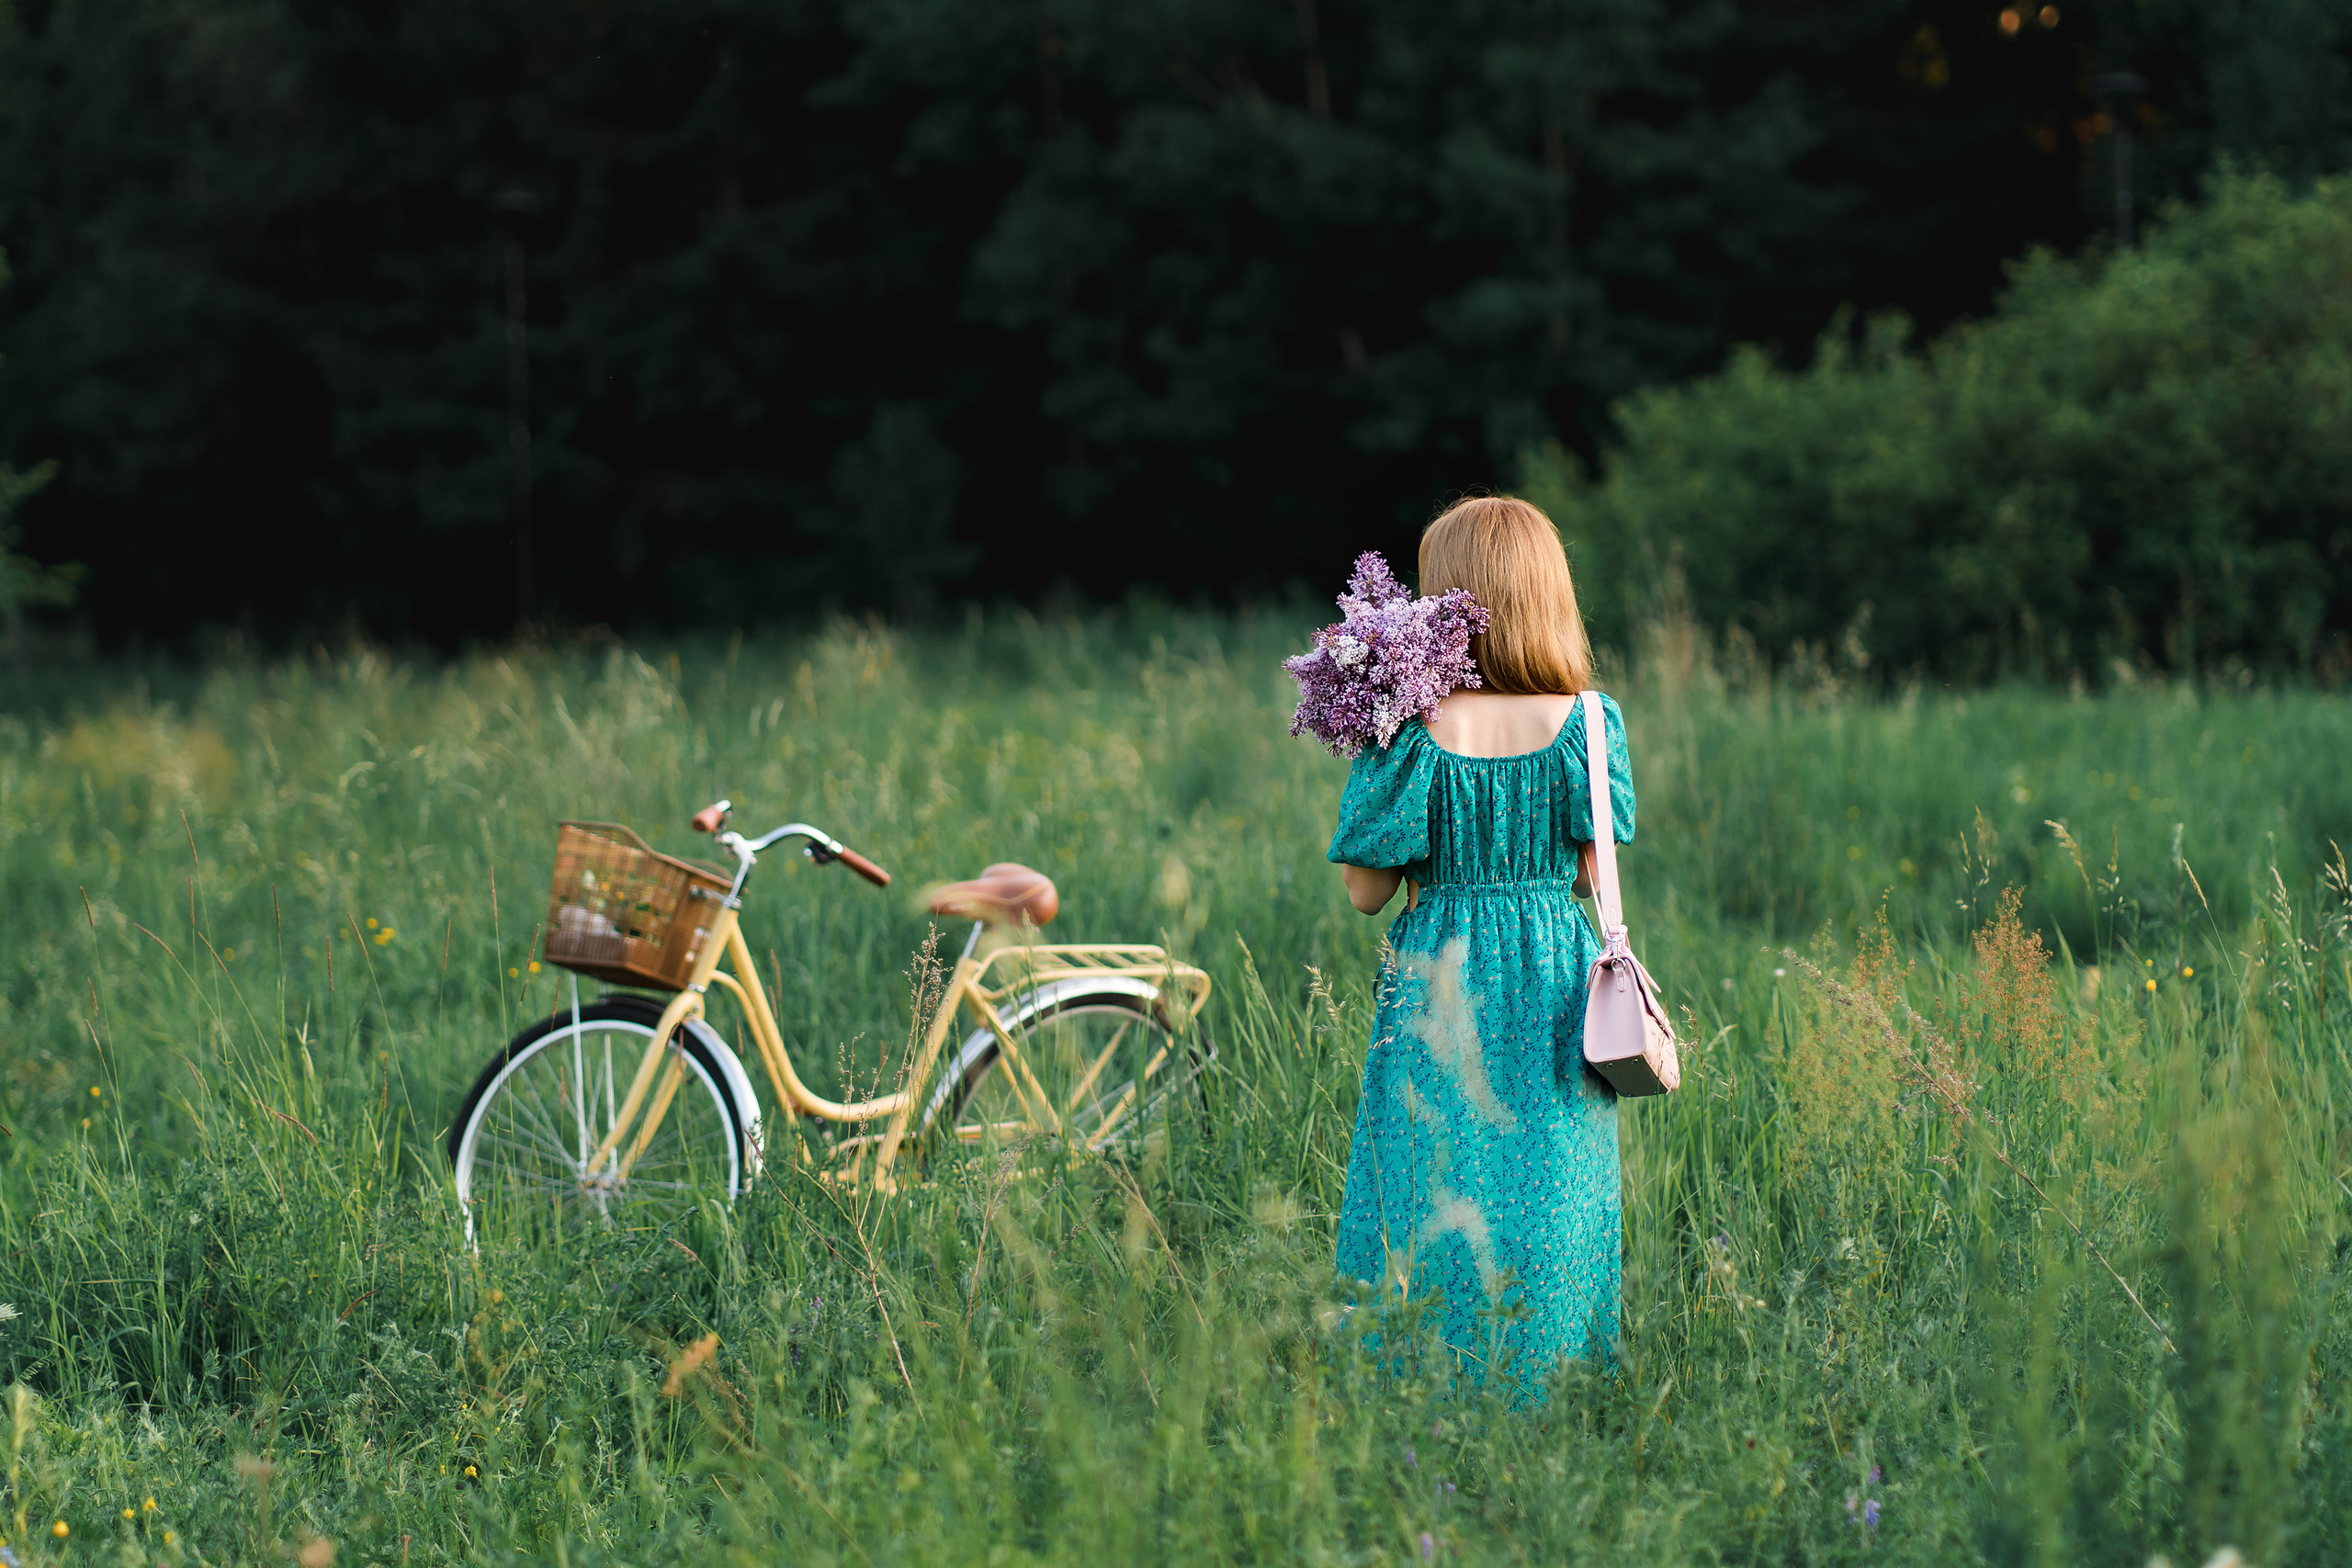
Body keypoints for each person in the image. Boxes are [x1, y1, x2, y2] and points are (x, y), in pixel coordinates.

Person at [1327, 494, 1634, 1397]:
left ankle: (1423, 1387)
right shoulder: (1590, 721)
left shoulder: (1407, 730)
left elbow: (1364, 892)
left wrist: (1370, 757)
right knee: (1554, 1190)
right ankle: (1552, 1389)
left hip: (1439, 974)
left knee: (1428, 1181)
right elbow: (1588, 876)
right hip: (1552, 975)